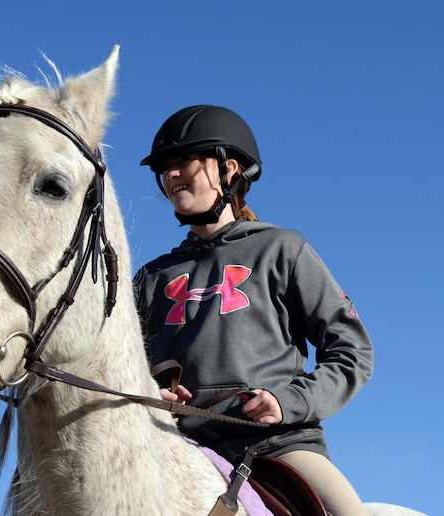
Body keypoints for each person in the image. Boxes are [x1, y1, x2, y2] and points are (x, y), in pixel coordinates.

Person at [134, 105, 373, 516]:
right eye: (164, 167)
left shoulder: (282, 249)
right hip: (176, 445)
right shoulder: (151, 277)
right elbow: (125, 365)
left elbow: (353, 352)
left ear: (229, 170)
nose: (171, 175)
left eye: (184, 162)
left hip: (277, 447)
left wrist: (289, 401)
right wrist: (150, 392)